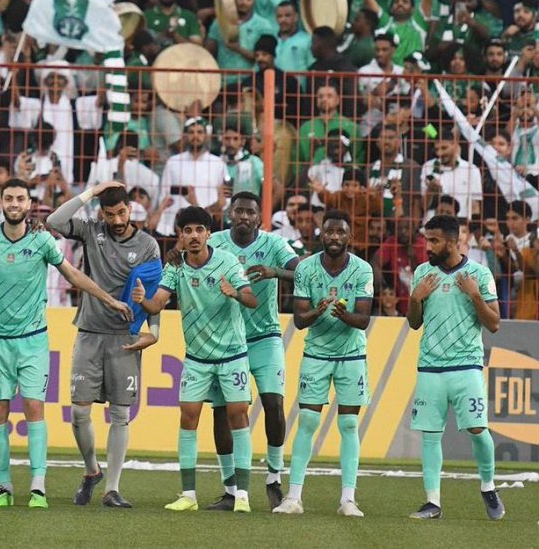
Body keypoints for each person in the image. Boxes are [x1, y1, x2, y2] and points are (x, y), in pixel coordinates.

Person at [0, 178, 127, 508]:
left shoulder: (41, 239)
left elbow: (72, 274)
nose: (14, 204)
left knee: (33, 408)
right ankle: (3, 487)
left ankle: (38, 487)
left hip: (32, 340)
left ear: (29, 204)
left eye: (20, 199)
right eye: (9, 198)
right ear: (1, 202)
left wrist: (108, 299)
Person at [127, 205, 256, 513]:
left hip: (232, 355)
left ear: (208, 234)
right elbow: (157, 305)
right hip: (197, 358)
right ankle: (189, 495)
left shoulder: (226, 262)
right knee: (188, 418)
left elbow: (252, 299)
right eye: (188, 231)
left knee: (238, 415)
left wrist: (235, 293)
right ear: (181, 237)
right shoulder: (175, 267)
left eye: (200, 230)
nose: (194, 236)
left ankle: (242, 496)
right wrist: (142, 299)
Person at [45, 181, 161, 507]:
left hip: (125, 337)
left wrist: (153, 330)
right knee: (80, 412)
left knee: (120, 414)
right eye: (110, 213)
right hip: (89, 331)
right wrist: (91, 191)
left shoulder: (148, 244)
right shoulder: (91, 230)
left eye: (122, 212)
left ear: (131, 209)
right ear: (102, 213)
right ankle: (91, 470)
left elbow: (152, 292)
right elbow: (54, 222)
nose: (117, 219)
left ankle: (112, 489)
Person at [274, 207, 374, 517]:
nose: (334, 236)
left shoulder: (362, 269)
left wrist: (344, 315)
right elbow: (300, 321)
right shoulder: (305, 269)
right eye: (329, 231)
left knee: (347, 423)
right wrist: (317, 312)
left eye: (340, 232)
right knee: (307, 421)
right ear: (322, 233)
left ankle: (348, 499)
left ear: (349, 236)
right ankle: (293, 497)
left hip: (351, 355)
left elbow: (363, 320)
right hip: (316, 353)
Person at [405, 213, 504, 522]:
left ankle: (488, 486)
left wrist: (474, 294)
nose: (427, 247)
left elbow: (494, 324)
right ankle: (432, 502)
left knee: (478, 430)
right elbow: (414, 323)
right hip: (430, 367)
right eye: (426, 240)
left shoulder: (479, 274)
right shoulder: (423, 273)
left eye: (433, 241)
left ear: (452, 241)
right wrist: (415, 298)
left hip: (466, 367)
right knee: (431, 435)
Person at [204, 192, 299, 509]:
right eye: (238, 211)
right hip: (226, 340)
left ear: (260, 218)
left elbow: (304, 272)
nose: (244, 216)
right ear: (229, 214)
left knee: (273, 403)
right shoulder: (214, 241)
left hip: (265, 337)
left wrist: (277, 272)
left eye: (250, 212)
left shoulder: (274, 244)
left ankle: (274, 475)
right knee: (223, 412)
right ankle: (230, 488)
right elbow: (187, 260)